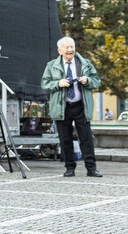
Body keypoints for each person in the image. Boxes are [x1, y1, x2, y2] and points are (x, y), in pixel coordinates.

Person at [41, 36, 102, 178]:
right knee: (65, 139)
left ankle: (91, 168)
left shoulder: (85, 63)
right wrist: (58, 84)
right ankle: (69, 168)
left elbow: (96, 81)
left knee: (86, 138)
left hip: (81, 106)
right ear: (59, 50)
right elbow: (45, 84)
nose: (70, 50)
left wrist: (88, 80)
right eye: (67, 47)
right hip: (62, 107)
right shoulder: (51, 66)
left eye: (72, 47)